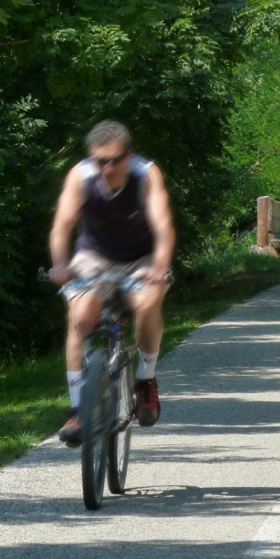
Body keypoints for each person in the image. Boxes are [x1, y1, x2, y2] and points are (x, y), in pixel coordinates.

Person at [48, 120, 175, 446]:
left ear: (128, 155)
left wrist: (160, 265)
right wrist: (60, 264)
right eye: (100, 160)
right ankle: (78, 409)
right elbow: (62, 225)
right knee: (81, 316)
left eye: (115, 159)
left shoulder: (145, 174)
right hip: (93, 257)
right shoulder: (80, 175)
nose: (107, 167)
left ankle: (145, 381)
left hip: (140, 259)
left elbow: (162, 225)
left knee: (148, 304)